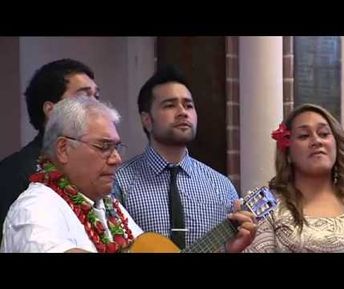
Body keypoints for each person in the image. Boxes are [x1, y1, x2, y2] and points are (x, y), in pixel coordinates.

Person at [1, 96, 256, 253]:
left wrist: (225, 249)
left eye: (116, 147)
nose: (117, 159)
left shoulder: (110, 208)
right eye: (104, 147)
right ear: (64, 149)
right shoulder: (36, 208)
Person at [113, 65, 242, 249]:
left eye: (188, 105)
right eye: (170, 105)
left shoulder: (221, 186)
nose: (183, 112)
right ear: (147, 119)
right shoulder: (119, 183)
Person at [244, 103, 344, 253]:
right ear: (288, 153)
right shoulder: (266, 208)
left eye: (323, 134)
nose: (317, 141)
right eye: (304, 136)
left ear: (336, 144)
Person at [0, 58, 99, 241]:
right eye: (85, 96)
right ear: (51, 110)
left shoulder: (95, 167)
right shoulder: (16, 172)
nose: (96, 106)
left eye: (96, 96)